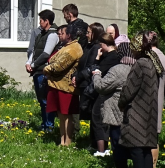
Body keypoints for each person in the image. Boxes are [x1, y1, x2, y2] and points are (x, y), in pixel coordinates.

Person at [118, 32, 160, 168]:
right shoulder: (152, 62)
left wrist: (121, 103)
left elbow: (129, 89)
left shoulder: (140, 64)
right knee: (146, 148)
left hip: (138, 111)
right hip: (149, 111)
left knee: (136, 148)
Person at [43, 24, 83, 146]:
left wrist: (46, 69)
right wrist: (50, 65)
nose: (59, 35)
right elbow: (52, 59)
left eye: (62, 33)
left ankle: (68, 142)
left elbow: (58, 66)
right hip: (57, 85)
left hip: (67, 87)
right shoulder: (66, 46)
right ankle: (62, 140)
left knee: (67, 115)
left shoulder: (73, 48)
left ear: (69, 35)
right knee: (61, 115)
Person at [93, 40, 130, 168]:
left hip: (117, 109)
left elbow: (101, 86)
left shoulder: (118, 70)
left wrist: (96, 74)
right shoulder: (139, 67)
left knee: (117, 140)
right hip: (135, 112)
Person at [26, 10, 58, 133]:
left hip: (44, 70)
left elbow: (45, 54)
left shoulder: (52, 35)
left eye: (41, 20)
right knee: (41, 99)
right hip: (37, 70)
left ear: (47, 21)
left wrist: (33, 65)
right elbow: (34, 50)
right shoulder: (41, 34)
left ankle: (49, 125)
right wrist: (29, 62)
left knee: (46, 100)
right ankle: (44, 124)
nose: (39, 23)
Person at [90, 32, 121, 157]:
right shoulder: (112, 55)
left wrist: (97, 59)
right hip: (109, 90)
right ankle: (104, 148)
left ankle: (101, 150)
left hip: (106, 90)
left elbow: (97, 70)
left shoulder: (111, 57)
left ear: (104, 44)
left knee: (97, 117)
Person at [74, 22, 104, 150]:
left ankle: (95, 144)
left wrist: (79, 77)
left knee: (94, 114)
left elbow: (91, 66)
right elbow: (81, 64)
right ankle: (92, 142)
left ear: (95, 33)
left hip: (90, 83)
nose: (86, 35)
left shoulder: (96, 47)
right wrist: (75, 76)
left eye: (88, 32)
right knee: (90, 113)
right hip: (83, 82)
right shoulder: (88, 46)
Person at [145, 31, 165, 168]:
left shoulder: (152, 57)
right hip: (156, 99)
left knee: (151, 138)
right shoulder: (161, 55)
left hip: (150, 100)